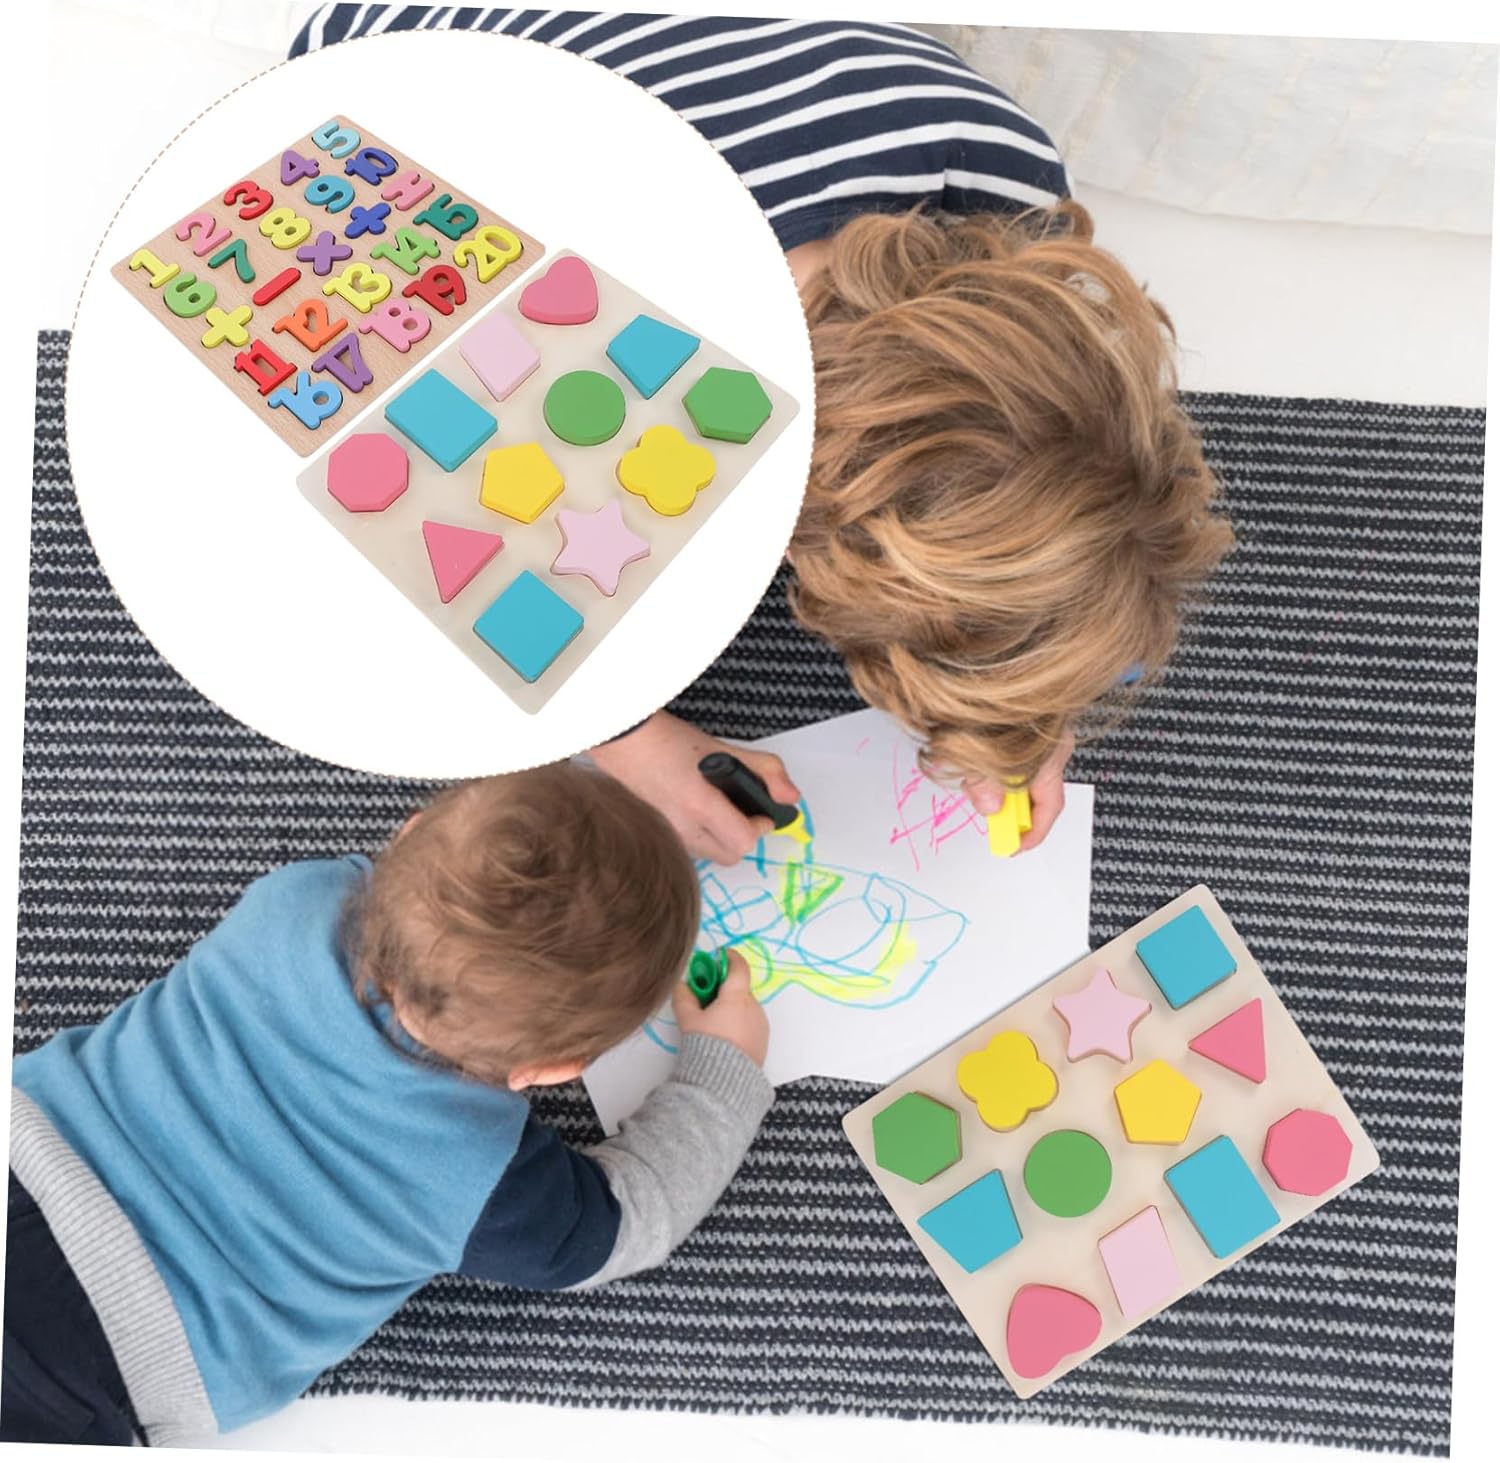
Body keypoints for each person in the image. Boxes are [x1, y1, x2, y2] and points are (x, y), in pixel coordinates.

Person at [293, 11, 1234, 864]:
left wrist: (1025, 710)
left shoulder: (1008, 177)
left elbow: (1060, 481)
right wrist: (629, 744)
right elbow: (455, 551)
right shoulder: (587, 355)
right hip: (369, 84)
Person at [3, 764, 770, 1445]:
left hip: (27, 1153)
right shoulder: (485, 1182)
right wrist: (721, 1067)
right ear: (551, 1070)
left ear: (406, 833)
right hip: (116, 1348)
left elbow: (472, 891)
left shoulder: (300, 897)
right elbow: (631, 1217)